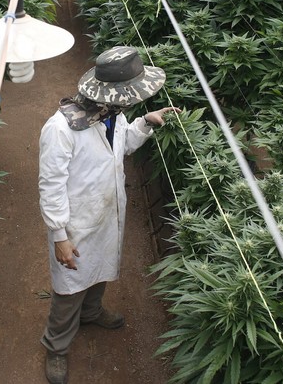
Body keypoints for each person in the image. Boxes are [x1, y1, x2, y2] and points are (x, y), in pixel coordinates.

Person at [37, 46, 179, 384]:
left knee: (100, 268)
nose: (133, 103)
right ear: (112, 94)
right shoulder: (60, 131)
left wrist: (146, 121)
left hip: (105, 213)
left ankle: (92, 311)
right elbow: (50, 187)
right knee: (69, 288)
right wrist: (60, 237)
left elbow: (122, 146)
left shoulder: (111, 113)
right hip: (76, 223)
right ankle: (56, 346)